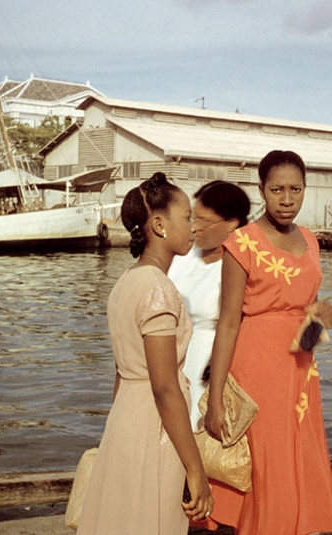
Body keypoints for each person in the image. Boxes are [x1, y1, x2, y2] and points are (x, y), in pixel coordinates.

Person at [203, 150, 332, 535]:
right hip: (257, 368)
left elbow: (306, 316)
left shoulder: (312, 241)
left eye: (295, 189)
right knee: (265, 465)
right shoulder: (241, 242)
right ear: (261, 189)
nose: (286, 199)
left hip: (300, 369)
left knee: (296, 458)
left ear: (304, 190)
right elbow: (229, 322)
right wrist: (215, 399)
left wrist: (323, 316)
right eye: (277, 189)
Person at [76, 172, 214, 534]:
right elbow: (165, 386)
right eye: (186, 217)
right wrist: (196, 469)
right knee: (151, 519)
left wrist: (116, 433)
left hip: (125, 420)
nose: (194, 226)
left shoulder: (126, 282)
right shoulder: (159, 290)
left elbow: (122, 372)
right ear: (158, 225)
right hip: (155, 426)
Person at [168, 180, 251, 430]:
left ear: (232, 224)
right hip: (171, 354)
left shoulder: (239, 266)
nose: (195, 227)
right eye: (193, 218)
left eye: (205, 221)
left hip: (208, 362)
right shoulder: (183, 255)